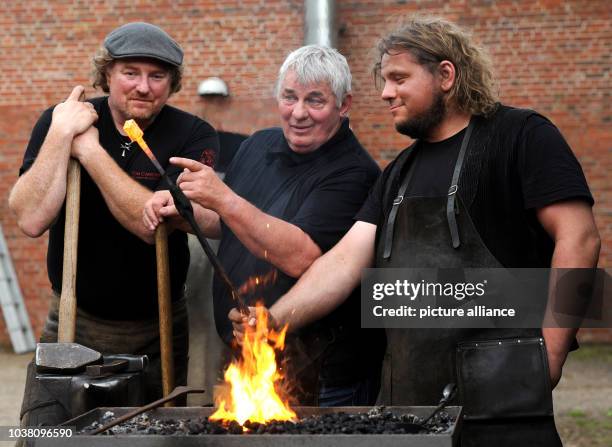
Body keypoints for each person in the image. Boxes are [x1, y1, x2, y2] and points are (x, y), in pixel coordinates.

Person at [230, 16, 600, 446]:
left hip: (504, 401)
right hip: (413, 410)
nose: (386, 92)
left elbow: (580, 239)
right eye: (385, 80)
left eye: (399, 78)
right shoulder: (398, 174)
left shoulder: (520, 136)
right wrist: (273, 321)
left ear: (446, 74)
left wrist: (549, 357)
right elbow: (343, 263)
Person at [144, 45, 386, 406]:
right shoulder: (260, 145)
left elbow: (300, 256)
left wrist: (223, 197)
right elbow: (234, 224)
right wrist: (186, 212)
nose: (299, 113)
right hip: (246, 359)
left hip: (320, 374)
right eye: (289, 97)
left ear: (344, 105)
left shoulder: (354, 172)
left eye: (315, 101)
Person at [9, 22, 218, 426]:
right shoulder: (63, 121)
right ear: (106, 74)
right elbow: (31, 219)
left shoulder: (192, 135)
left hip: (158, 327)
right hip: (72, 318)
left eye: (157, 76)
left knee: (151, 435)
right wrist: (60, 133)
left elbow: (149, 223)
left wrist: (88, 150)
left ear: (172, 82)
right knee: (48, 435)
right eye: (130, 73)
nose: (143, 86)